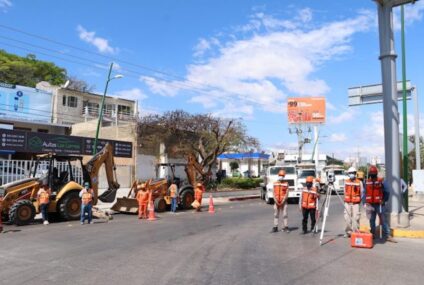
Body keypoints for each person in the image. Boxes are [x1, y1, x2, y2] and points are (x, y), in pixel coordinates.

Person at [364, 166, 395, 242]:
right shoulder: (367, 182)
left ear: (376, 173)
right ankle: (373, 234)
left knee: (383, 220)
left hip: (379, 204)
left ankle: (388, 235)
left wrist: (384, 200)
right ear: (369, 174)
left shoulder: (382, 181)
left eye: (374, 173)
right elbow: (364, 193)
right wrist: (365, 202)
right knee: (371, 220)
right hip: (370, 204)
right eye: (371, 173)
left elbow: (387, 191)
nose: (372, 175)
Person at [343, 167, 363, 237]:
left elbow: (362, 193)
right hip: (347, 203)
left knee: (356, 218)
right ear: (348, 174)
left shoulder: (359, 182)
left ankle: (356, 232)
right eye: (350, 173)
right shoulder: (346, 182)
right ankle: (348, 232)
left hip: (356, 203)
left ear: (355, 174)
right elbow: (344, 192)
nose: (351, 174)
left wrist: (361, 201)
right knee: (347, 218)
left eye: (353, 173)